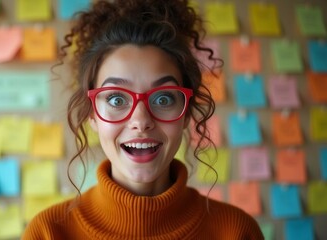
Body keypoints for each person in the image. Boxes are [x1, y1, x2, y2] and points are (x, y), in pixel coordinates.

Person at [23, 0, 264, 239]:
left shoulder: (236, 231)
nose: (141, 120)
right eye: (117, 100)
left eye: (163, 99)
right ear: (92, 115)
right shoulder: (48, 232)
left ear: (187, 112)